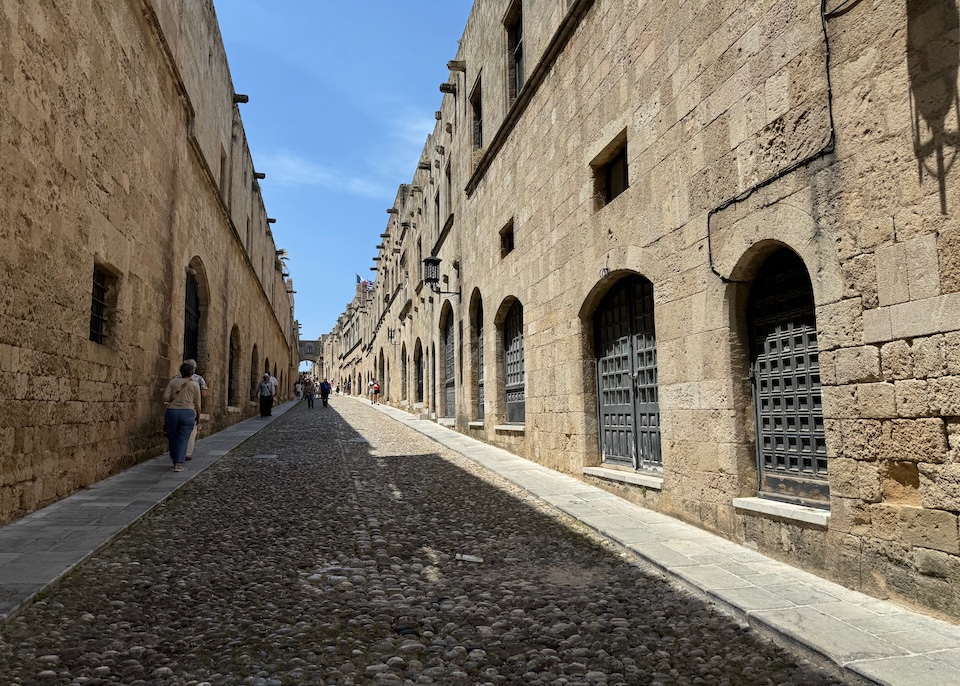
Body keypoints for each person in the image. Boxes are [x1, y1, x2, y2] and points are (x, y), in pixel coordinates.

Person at [163, 362, 201, 472]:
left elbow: (165, 397)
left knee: (172, 436)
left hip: (172, 412)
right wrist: (198, 416)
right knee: (183, 437)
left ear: (181, 372)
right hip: (188, 412)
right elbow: (198, 403)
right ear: (192, 372)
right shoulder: (195, 385)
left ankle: (174, 458)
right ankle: (178, 463)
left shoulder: (173, 382)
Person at [176, 359, 207, 462]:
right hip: (190, 408)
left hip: (175, 408)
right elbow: (203, 395)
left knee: (178, 430)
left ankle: (178, 451)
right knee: (191, 431)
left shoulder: (176, 378)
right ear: (194, 368)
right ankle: (187, 453)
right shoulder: (199, 379)